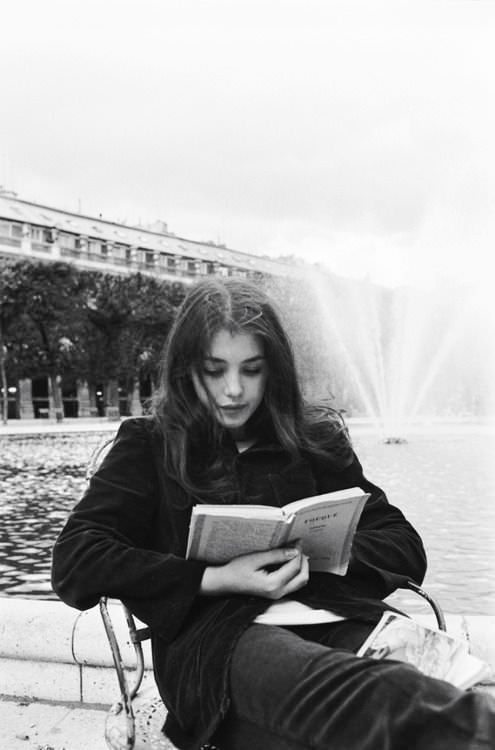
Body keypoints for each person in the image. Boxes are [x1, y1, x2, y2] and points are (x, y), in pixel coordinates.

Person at [51, 278, 495, 750]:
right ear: (186, 370)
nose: (234, 390)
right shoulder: (150, 445)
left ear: (274, 370)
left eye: (252, 369)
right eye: (214, 370)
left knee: (402, 688)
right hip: (218, 645)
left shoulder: (315, 441)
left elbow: (403, 543)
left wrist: (322, 556)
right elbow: (77, 559)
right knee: (379, 694)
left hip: (334, 617)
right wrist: (216, 578)